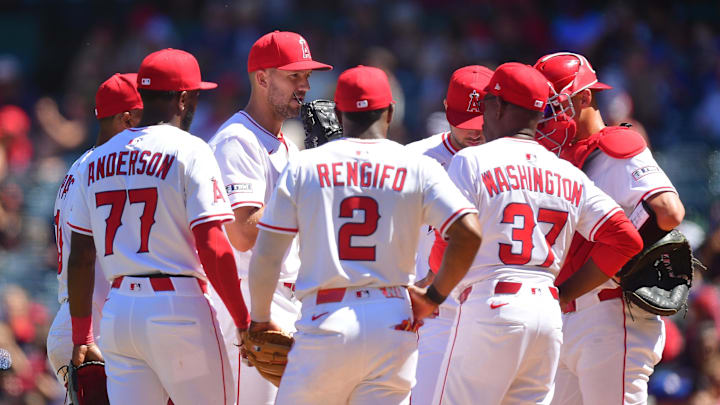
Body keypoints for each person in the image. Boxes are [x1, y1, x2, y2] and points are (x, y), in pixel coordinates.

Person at [247, 65, 483, 405]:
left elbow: (267, 255)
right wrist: (433, 296)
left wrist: (259, 319)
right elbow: (469, 233)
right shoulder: (418, 165)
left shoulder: (305, 165)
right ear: (390, 112)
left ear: (340, 113)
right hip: (392, 321)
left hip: (324, 319)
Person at [429, 62, 644, 405]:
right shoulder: (566, 172)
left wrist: (434, 292)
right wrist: (563, 293)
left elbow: (446, 244)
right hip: (546, 314)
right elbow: (626, 240)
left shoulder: (472, 160)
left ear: (498, 106)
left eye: (487, 102)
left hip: (490, 305)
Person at [67, 48, 249, 405]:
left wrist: (81, 335)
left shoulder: (94, 160)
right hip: (176, 311)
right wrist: (243, 320)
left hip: (119, 317)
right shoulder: (189, 149)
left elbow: (82, 257)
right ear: (183, 98)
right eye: (196, 95)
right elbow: (213, 245)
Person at [534, 52, 686, 405]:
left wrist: (619, 255)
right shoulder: (559, 158)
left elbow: (668, 211)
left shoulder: (615, 147)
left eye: (553, 107)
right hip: (569, 316)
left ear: (584, 97)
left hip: (610, 313)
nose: (546, 118)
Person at [207, 30, 332, 405]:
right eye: (294, 75)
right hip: (251, 304)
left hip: (286, 299)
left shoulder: (288, 146)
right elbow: (242, 231)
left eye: (307, 76)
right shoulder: (238, 140)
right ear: (262, 78)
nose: (305, 85)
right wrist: (305, 192)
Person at [46, 73, 142, 384]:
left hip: (78, 318)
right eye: (146, 117)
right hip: (91, 328)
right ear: (126, 120)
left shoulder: (81, 166)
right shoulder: (111, 171)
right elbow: (85, 256)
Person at [405, 64, 493, 404]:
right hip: (426, 312)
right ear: (445, 108)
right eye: (464, 121)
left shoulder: (507, 160)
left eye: (480, 121)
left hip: (485, 311)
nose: (473, 131)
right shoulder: (413, 158)